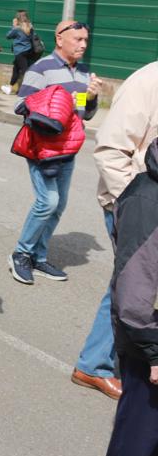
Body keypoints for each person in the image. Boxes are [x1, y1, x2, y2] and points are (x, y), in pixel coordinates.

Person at [73, 61, 158, 402]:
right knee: (129, 286)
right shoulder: (148, 81)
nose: (82, 44)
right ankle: (94, 365)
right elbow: (110, 150)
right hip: (139, 208)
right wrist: (132, 204)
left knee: (132, 286)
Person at [8, 19, 103, 285]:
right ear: (60, 38)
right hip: (43, 148)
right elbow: (20, 104)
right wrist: (54, 102)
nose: (84, 44)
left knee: (58, 205)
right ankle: (21, 254)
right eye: (78, 39)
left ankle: (39, 257)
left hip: (68, 150)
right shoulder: (42, 68)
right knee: (46, 202)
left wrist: (91, 97)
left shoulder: (83, 73)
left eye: (86, 39)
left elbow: (83, 113)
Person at [104, 137, 158, 456]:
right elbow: (134, 293)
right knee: (136, 449)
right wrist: (154, 351)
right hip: (149, 348)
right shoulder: (146, 200)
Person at [3, 10, 41, 95]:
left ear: (17, 18)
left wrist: (13, 26)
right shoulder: (30, 27)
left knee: (25, 71)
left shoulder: (17, 28)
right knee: (16, 69)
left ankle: (28, 90)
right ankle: (10, 87)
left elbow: (8, 36)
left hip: (19, 52)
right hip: (28, 51)